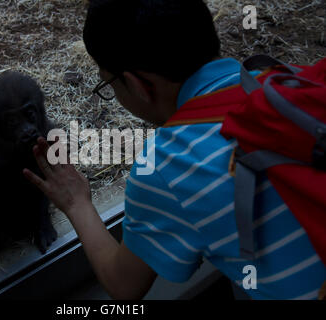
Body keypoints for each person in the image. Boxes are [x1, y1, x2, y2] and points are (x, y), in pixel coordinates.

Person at [23, 0, 325, 300]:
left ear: (138, 84)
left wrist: (77, 203)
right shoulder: (289, 79)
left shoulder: (167, 165)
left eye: (109, 84)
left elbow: (123, 285)